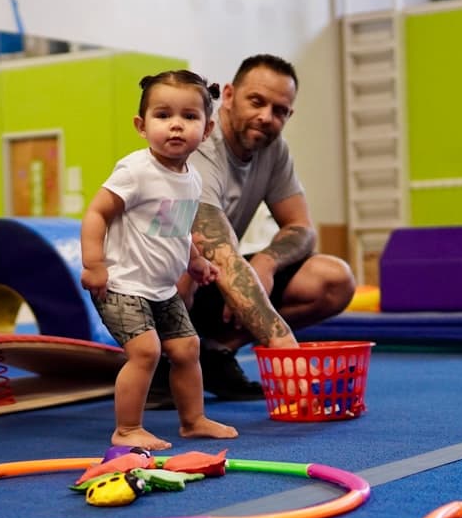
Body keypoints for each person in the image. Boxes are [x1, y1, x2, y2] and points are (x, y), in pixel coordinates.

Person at [151, 54, 356, 406]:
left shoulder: (273, 150)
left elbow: (302, 228)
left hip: (207, 274)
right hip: (155, 284)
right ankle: (164, 360)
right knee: (183, 272)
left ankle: (214, 354)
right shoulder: (198, 144)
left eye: (280, 110)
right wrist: (286, 351)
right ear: (228, 96)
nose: (266, 117)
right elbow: (217, 248)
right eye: (257, 101)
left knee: (333, 278)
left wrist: (266, 263)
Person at [81, 70, 239, 451]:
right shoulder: (136, 170)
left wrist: (196, 262)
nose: (175, 126)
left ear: (207, 128)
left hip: (161, 289)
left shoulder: (191, 179)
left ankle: (193, 420)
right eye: (163, 115)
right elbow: (96, 214)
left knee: (187, 349)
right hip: (122, 286)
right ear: (141, 124)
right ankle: (127, 428)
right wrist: (94, 264)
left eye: (189, 117)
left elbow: (174, 229)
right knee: (146, 351)